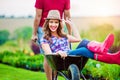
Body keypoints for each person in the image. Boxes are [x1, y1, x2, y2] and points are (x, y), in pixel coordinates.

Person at [40, 10, 120, 79]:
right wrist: (58, 53)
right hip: (60, 58)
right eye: (51, 22)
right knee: (84, 50)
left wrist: (72, 25)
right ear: (47, 23)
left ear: (59, 23)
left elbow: (78, 39)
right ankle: (111, 57)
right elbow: (49, 54)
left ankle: (101, 48)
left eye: (56, 22)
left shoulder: (63, 36)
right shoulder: (45, 38)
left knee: (84, 41)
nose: (53, 24)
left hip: (69, 55)